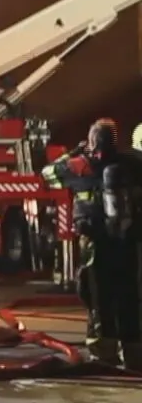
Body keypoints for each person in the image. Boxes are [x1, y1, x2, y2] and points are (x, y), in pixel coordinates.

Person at [41, 118, 142, 367]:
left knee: (98, 296)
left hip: (95, 243)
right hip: (128, 242)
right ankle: (134, 352)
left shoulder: (78, 166)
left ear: (91, 141)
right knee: (129, 294)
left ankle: (103, 351)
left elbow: (48, 174)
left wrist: (75, 151)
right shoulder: (132, 165)